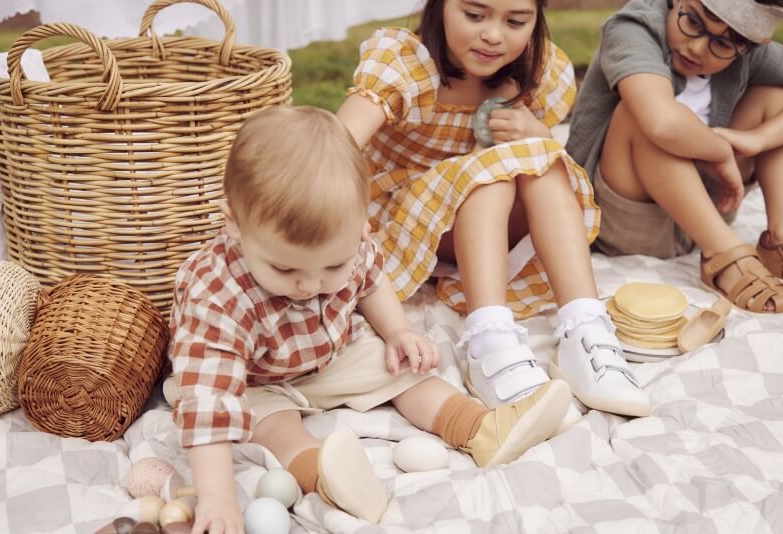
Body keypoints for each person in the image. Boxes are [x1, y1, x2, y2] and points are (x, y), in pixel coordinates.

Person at [165, 106, 574, 534]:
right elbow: (210, 402)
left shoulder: (348, 241)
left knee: (401, 370)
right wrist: (217, 498)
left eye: (332, 268)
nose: (310, 286)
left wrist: (397, 330)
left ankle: (481, 428)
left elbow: (371, 281)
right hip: (252, 380)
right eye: (285, 271)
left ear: (361, 225)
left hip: (331, 351)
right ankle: (326, 476)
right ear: (233, 223)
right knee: (272, 426)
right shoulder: (215, 295)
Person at [336, 0, 651, 424]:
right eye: (475, 15)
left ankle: (584, 328)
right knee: (493, 174)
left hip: (489, 231)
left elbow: (542, 152)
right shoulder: (407, 66)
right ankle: (488, 340)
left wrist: (535, 133)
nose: (494, 35)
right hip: (410, 224)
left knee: (540, 161)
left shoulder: (535, 73)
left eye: (516, 21)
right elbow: (335, 145)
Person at [567, 0, 783, 314]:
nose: (698, 47)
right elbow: (662, 122)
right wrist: (721, 151)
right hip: (627, 220)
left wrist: (757, 139)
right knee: (642, 111)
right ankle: (723, 253)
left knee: (778, 97)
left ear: (749, 45)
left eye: (723, 44)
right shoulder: (633, 29)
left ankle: (781, 240)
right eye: (693, 22)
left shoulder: (750, 50)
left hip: (703, 213)